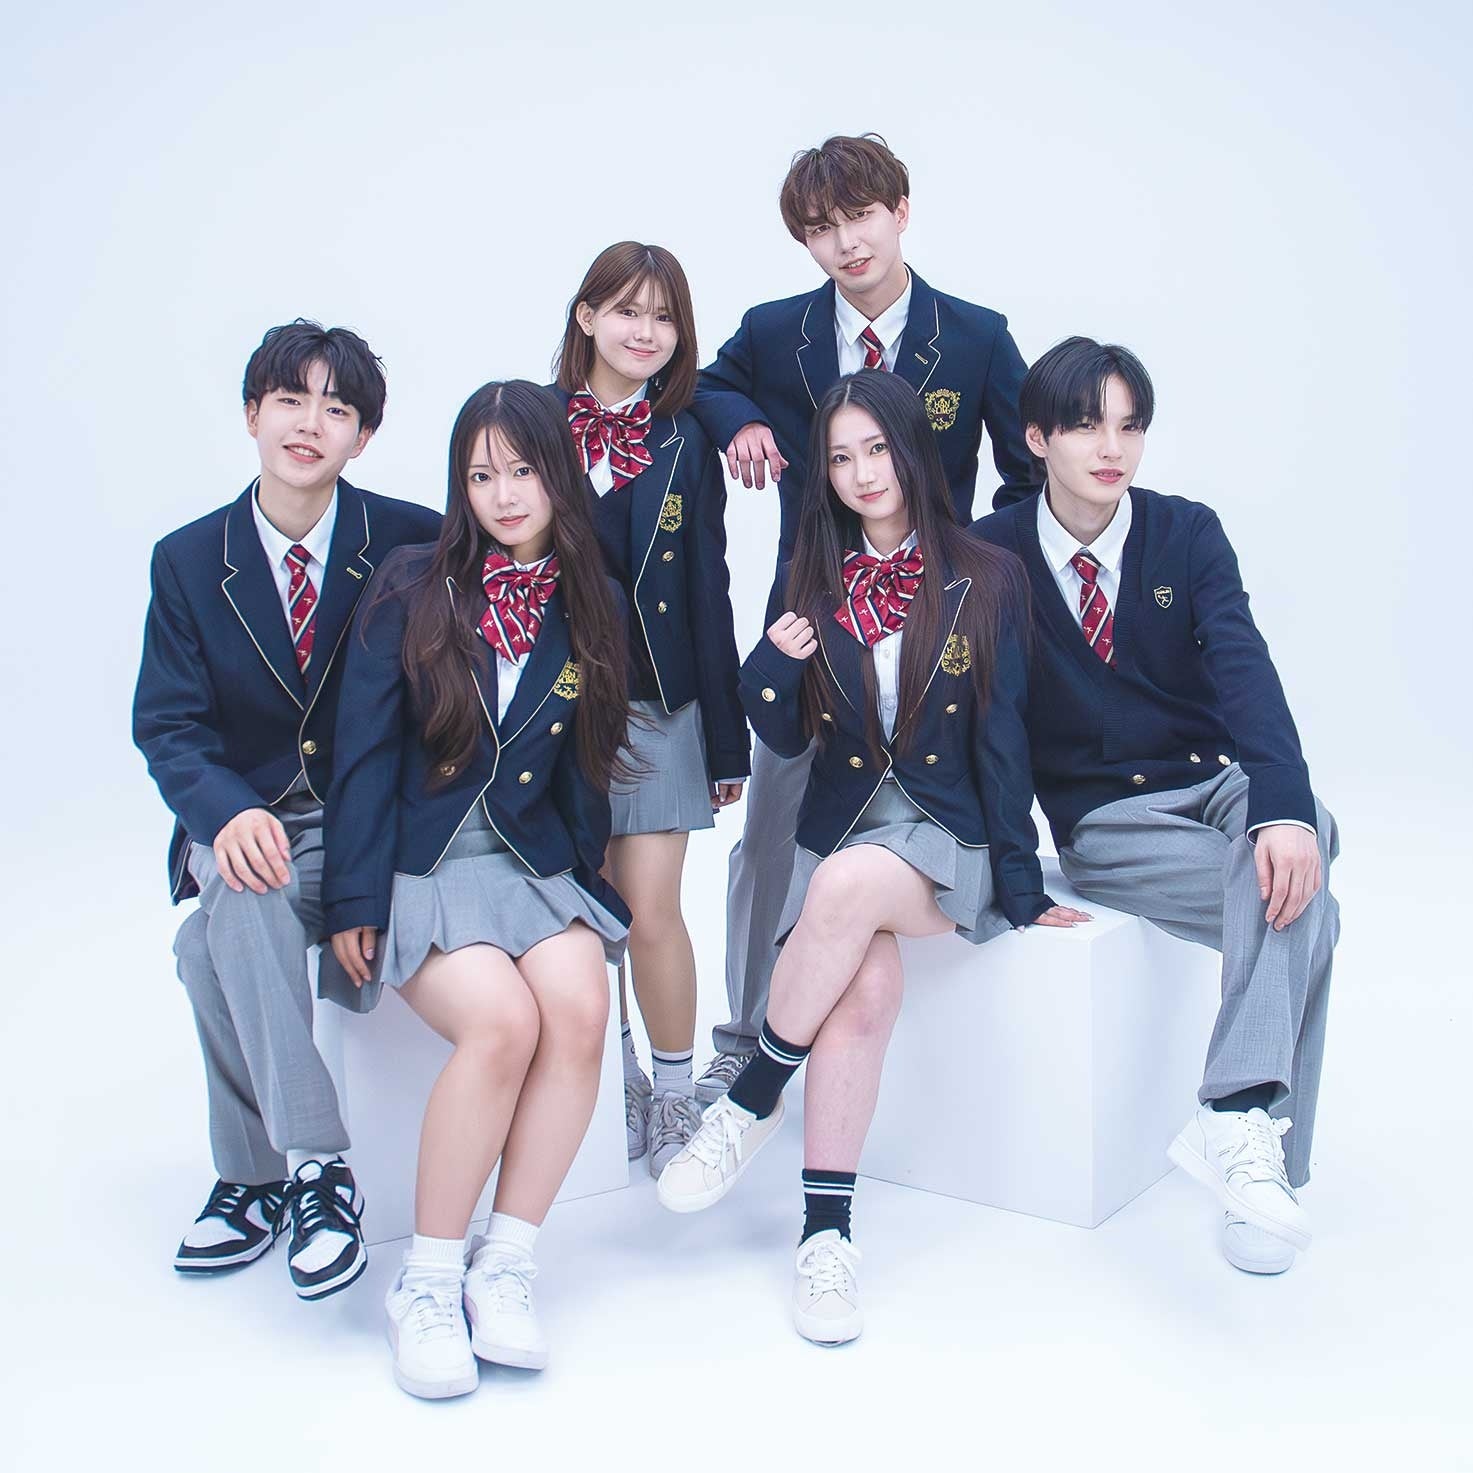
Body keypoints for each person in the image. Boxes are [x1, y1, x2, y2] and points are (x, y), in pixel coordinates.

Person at [656, 371, 1085, 1343]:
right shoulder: (815, 580)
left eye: (877, 448)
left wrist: (1022, 881)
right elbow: (786, 736)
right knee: (863, 992)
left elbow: (1007, 735)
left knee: (846, 885)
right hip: (848, 824)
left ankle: (752, 1094)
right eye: (841, 457)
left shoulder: (989, 574)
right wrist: (772, 667)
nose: (861, 473)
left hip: (948, 837)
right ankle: (826, 1237)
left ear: (911, 448)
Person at [971, 337, 1340, 1275]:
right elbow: (995, 724)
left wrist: (1283, 811)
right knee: (1311, 909)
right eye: (1087, 424)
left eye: (1130, 426)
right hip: (1105, 820)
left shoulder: (1186, 531)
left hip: (1212, 782)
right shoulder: (991, 552)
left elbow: (1244, 667)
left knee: (1306, 830)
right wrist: (1015, 875)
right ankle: (1270, 1173)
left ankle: (1234, 1116)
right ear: (1035, 437)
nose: (1113, 448)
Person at [689, 133, 1041, 1100]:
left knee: (940, 785)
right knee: (771, 828)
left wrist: (970, 574)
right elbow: (708, 385)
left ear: (901, 212)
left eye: (859, 217)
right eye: (820, 228)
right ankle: (744, 1031)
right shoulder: (776, 332)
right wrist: (742, 422)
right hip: (814, 612)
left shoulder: (975, 336)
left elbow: (1024, 473)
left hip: (937, 624)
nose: (845, 242)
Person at [322, 380, 633, 1399]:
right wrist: (354, 899)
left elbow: (586, 765)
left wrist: (588, 887)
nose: (503, 494)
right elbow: (363, 753)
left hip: (530, 863)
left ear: (559, 475)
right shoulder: (411, 584)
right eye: (481, 474)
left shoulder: (592, 594)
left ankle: (505, 1264)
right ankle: (424, 1280)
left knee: (580, 1005)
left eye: (523, 470)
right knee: (502, 1023)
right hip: (424, 863)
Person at [133, 319, 441, 1296]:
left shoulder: (412, 538)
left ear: (363, 436)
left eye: (336, 408)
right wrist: (224, 813)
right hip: (245, 818)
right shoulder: (189, 560)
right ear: (251, 414)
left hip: (363, 816)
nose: (310, 423)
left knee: (204, 947)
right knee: (244, 883)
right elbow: (169, 724)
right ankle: (318, 1168)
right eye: (290, 400)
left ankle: (252, 1177)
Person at [548, 242, 749, 1173]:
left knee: (651, 907)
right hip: (548, 709)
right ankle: (613, 1077)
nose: (645, 331)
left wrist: (725, 742)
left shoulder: (684, 441)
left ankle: (673, 1093)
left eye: (664, 317)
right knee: (580, 910)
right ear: (586, 316)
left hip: (658, 704)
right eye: (627, 310)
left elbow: (709, 586)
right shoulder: (531, 424)